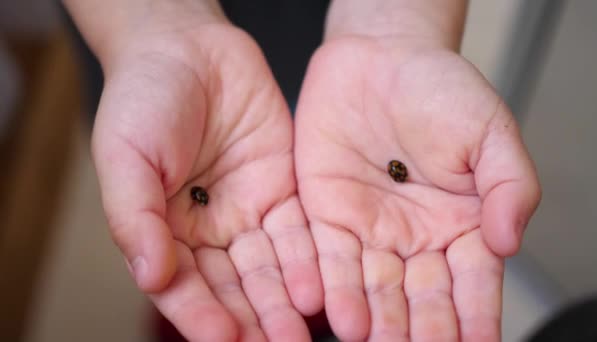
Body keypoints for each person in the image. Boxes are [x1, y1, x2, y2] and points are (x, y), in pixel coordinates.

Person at [62, 0, 541, 341]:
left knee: (321, 248)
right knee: (192, 234)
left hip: (342, 69)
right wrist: (152, 26)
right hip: (180, 91)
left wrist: (396, 26)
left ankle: (322, 314)